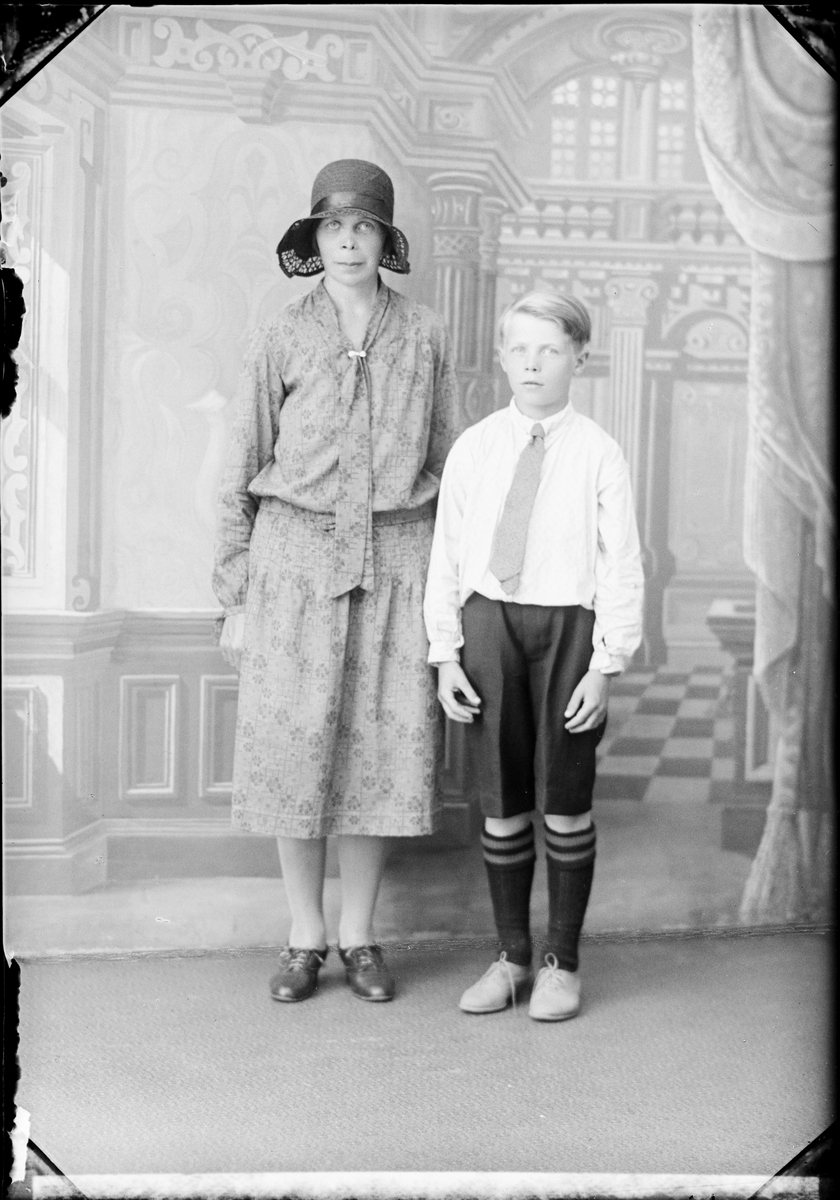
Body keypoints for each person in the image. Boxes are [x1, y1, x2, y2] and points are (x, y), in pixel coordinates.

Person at [214, 159, 459, 1005]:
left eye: (364, 228)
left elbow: (449, 464)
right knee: (294, 751)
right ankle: (303, 936)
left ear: (386, 241)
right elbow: (238, 468)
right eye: (333, 227)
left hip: (397, 566)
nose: (348, 242)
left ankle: (358, 934)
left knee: (377, 750)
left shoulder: (423, 334)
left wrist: (445, 594)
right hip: (292, 566)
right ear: (314, 239)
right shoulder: (281, 334)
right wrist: (236, 594)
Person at [423, 290, 644, 1021]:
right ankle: (512, 958)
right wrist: (446, 655)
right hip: (489, 627)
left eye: (549, 350)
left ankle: (561, 963)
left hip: (569, 633)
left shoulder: (598, 451)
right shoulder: (477, 447)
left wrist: (605, 665)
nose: (532, 363)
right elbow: (447, 556)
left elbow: (622, 564)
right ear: (501, 356)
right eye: (519, 349)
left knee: (566, 803)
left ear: (580, 357)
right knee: (503, 804)